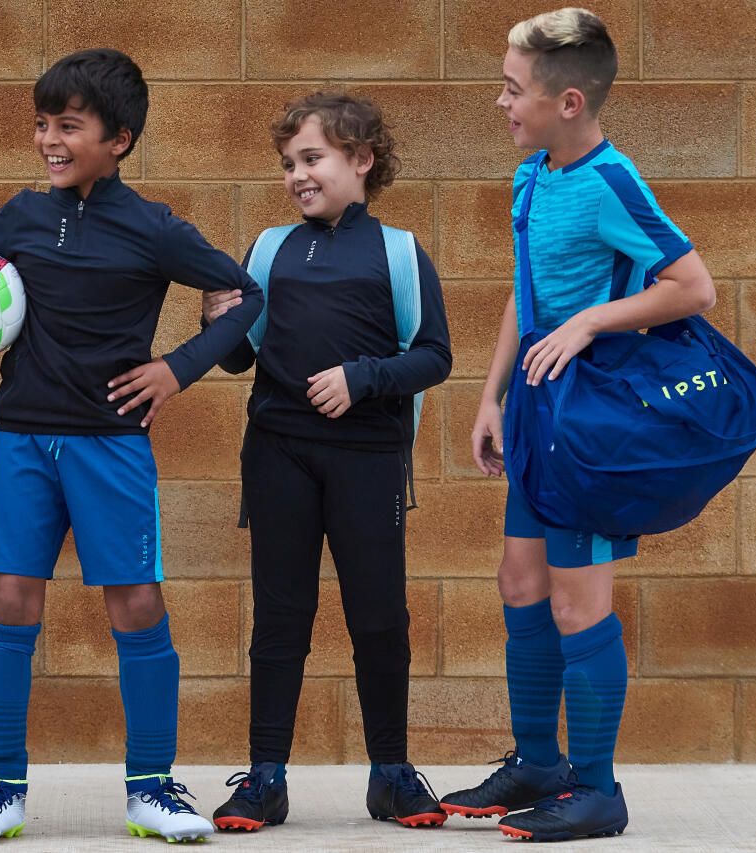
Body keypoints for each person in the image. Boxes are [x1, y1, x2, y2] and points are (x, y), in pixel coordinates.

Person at [0, 47, 266, 845]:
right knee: (11, 599)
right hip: (22, 442)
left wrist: (177, 368)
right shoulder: (20, 215)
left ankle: (152, 786)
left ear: (119, 139)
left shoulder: (153, 227)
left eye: (68, 126)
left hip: (111, 444)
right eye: (41, 124)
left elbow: (246, 296)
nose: (48, 139)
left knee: (137, 602)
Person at [438, 7, 717, 843]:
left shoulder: (612, 180)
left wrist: (591, 322)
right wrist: (490, 398)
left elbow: (693, 286)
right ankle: (538, 762)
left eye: (512, 89)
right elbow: (525, 296)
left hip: (592, 427)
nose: (501, 102)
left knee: (576, 603)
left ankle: (597, 790)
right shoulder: (532, 177)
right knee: (520, 584)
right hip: (533, 411)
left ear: (568, 101)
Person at [202, 92, 452, 833]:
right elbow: (241, 360)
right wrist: (216, 320)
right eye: (288, 164)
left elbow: (434, 355)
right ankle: (267, 778)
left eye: (312, 159)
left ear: (361, 160)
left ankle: (391, 774)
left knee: (379, 617)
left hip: (368, 459)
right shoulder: (270, 248)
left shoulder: (400, 250)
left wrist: (362, 377)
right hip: (278, 452)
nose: (297, 176)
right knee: (282, 616)